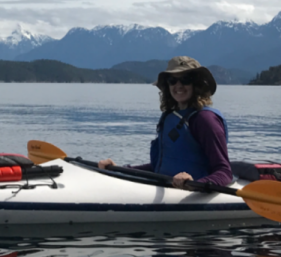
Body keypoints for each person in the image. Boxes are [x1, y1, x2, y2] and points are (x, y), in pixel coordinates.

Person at [98, 56, 232, 188]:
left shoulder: (206, 120)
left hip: (193, 192)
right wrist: (119, 169)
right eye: (172, 80)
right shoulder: (170, 116)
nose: (178, 85)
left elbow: (224, 172)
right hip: (168, 188)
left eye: (186, 79)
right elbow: (159, 166)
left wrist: (196, 184)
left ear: (196, 84)